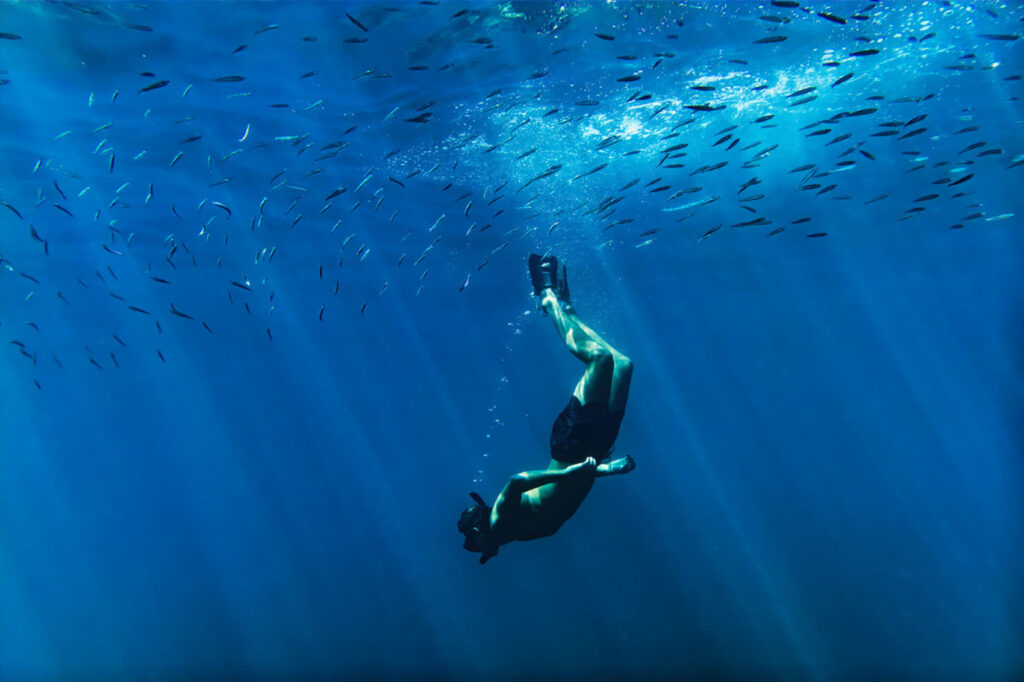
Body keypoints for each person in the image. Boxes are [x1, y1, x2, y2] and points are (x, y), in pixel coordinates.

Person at [458, 254, 636, 564]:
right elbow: (569, 489)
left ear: (479, 531)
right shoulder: (516, 532)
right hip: (595, 450)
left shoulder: (500, 520)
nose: (479, 548)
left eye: (474, 542)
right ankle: (569, 312)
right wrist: (608, 470)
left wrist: (569, 471)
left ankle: (548, 298)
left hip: (572, 445)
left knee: (599, 359)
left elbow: (517, 481)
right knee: (622, 364)